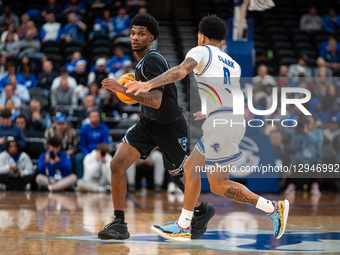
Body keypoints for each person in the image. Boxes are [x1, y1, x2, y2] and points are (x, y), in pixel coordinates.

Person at [126, 14, 289, 243]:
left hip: (222, 123)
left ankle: (185, 225)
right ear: (222, 39)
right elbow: (232, 94)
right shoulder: (232, 63)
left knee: (206, 177)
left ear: (201, 36)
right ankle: (271, 208)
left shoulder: (200, 51)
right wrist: (211, 111)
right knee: (209, 179)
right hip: (230, 119)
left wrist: (148, 83)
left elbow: (181, 71)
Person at [98, 14, 212, 241]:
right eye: (132, 33)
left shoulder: (152, 59)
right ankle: (119, 222)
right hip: (149, 123)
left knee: (180, 176)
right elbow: (149, 104)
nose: (135, 37)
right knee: (117, 164)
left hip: (170, 126)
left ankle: (200, 210)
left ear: (152, 37)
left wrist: (123, 90)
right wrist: (130, 95)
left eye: (141, 34)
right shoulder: (141, 62)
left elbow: (156, 100)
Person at [75, 110, 110, 178]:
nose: (95, 118)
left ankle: (108, 180)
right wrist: (87, 154)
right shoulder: (84, 129)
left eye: (96, 116)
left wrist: (100, 153)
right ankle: (80, 179)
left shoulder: (104, 128)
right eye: (93, 116)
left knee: (109, 159)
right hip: (87, 151)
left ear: (99, 118)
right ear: (89, 118)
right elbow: (82, 144)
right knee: (78, 158)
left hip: (100, 151)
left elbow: (105, 144)